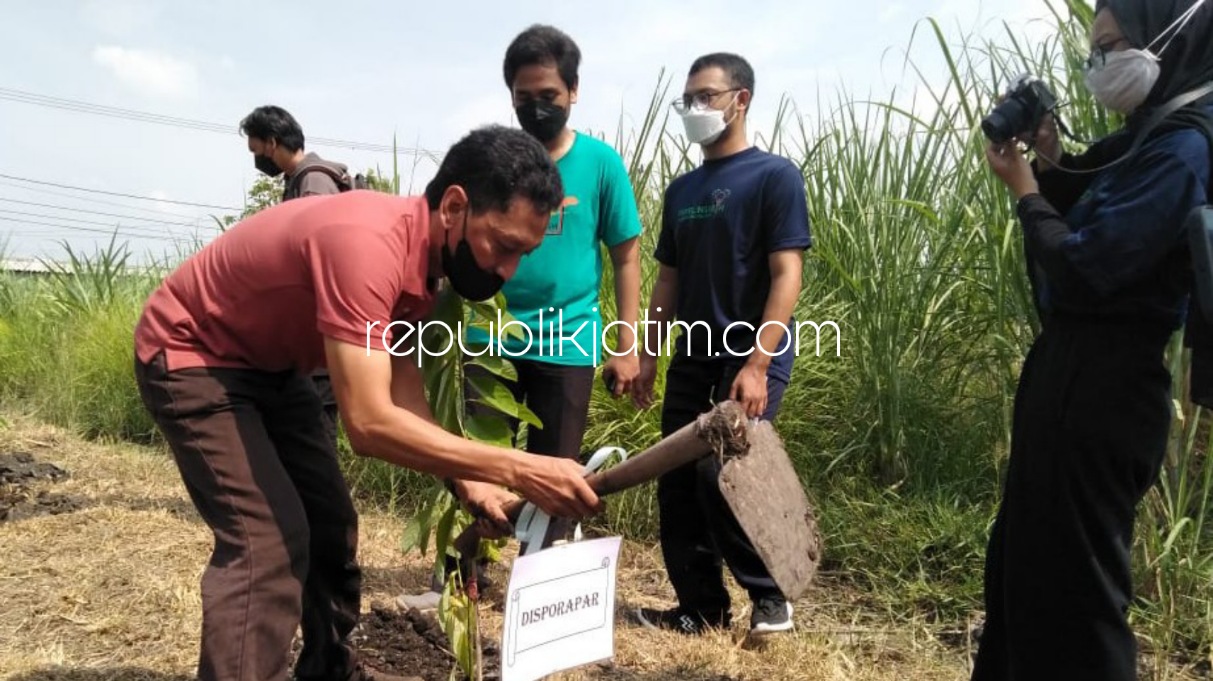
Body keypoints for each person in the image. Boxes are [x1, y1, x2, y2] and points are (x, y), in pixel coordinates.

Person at [133, 124, 602, 681]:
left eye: (521, 254)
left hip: (273, 368)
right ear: (454, 206)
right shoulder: (367, 243)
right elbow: (369, 423)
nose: (506, 272)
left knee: (330, 526)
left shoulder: (424, 267)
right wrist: (518, 466)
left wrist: (468, 481)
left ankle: (328, 671)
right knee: (267, 545)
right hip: (193, 355)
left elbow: (403, 393)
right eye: (501, 246)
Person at [973, 1, 1213, 678]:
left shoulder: (1186, 144)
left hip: (1108, 386)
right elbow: (1082, 204)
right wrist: (1047, 160)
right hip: (1066, 373)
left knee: (1078, 592)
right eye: (1092, 51)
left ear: (1167, 38)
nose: (1098, 65)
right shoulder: (1149, 133)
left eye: (1110, 46)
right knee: (1021, 565)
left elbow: (1086, 266)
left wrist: (1024, 191)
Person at [399, 22, 644, 612]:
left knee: (557, 471)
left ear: (574, 91)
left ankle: (537, 601)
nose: (537, 108)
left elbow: (627, 253)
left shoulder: (601, 165)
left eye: (549, 97)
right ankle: (458, 581)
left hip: (569, 342)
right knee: (474, 457)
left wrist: (627, 340)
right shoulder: (497, 165)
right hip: (488, 336)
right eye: (524, 97)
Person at [628, 52, 812, 637]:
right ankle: (699, 609)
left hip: (749, 355)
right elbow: (667, 282)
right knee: (677, 482)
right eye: (688, 99)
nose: (695, 108)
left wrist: (758, 364)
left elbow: (787, 274)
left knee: (721, 474)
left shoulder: (773, 176)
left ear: (741, 99)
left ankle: (769, 598)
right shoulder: (681, 190)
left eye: (706, 96)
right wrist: (649, 356)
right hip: (691, 354)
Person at [239, 104, 357, 451]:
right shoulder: (301, 180)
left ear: (272, 142)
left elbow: (315, 252)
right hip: (311, 330)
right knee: (306, 427)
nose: (257, 160)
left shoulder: (314, 181)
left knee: (317, 430)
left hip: (321, 331)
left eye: (255, 150)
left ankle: (324, 504)